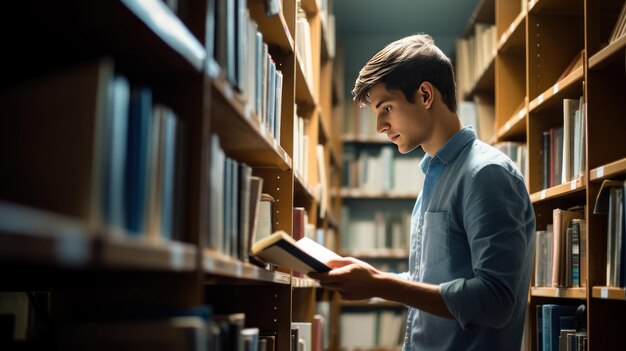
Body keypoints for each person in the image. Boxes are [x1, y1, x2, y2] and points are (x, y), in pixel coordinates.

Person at [308, 34, 536, 350]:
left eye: (386, 107)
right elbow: (434, 282)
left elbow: (496, 301)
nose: (379, 126)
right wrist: (374, 279)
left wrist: (382, 285)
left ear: (425, 95)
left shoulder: (486, 174)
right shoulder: (435, 174)